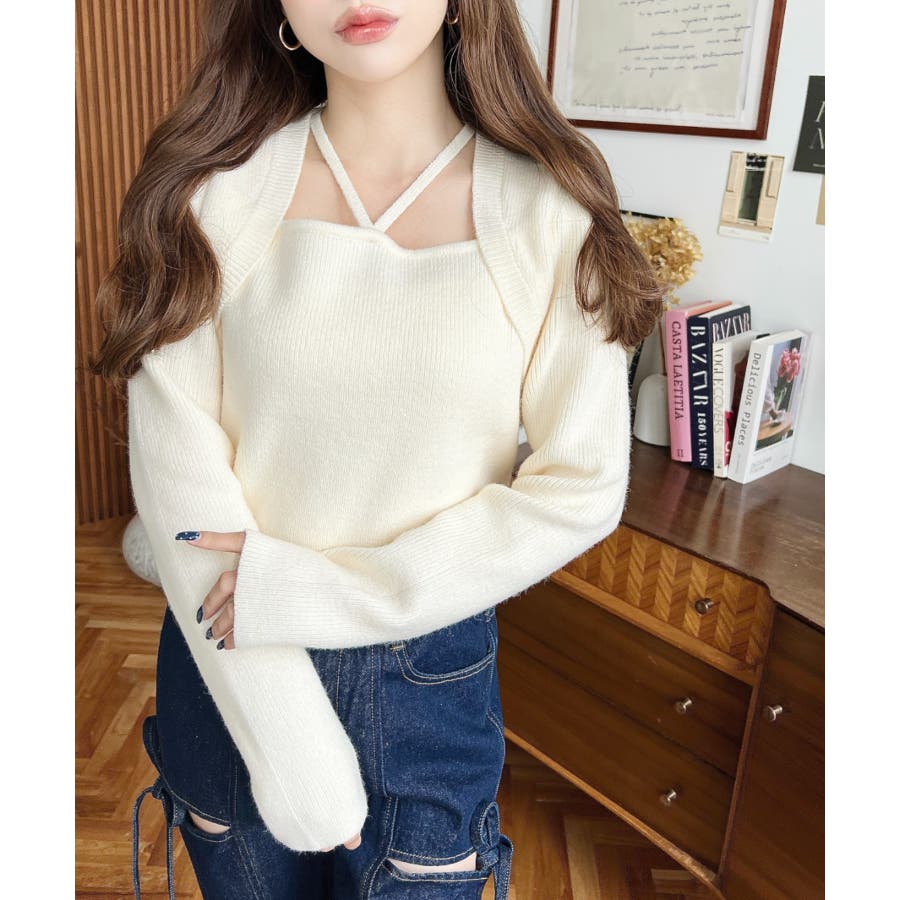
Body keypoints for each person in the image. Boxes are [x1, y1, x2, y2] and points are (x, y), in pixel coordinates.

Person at [90, 1, 663, 897]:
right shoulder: (214, 194)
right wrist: (289, 740)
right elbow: (178, 483)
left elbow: (581, 486)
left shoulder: (548, 213)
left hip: (424, 674)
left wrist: (319, 594)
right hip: (229, 660)